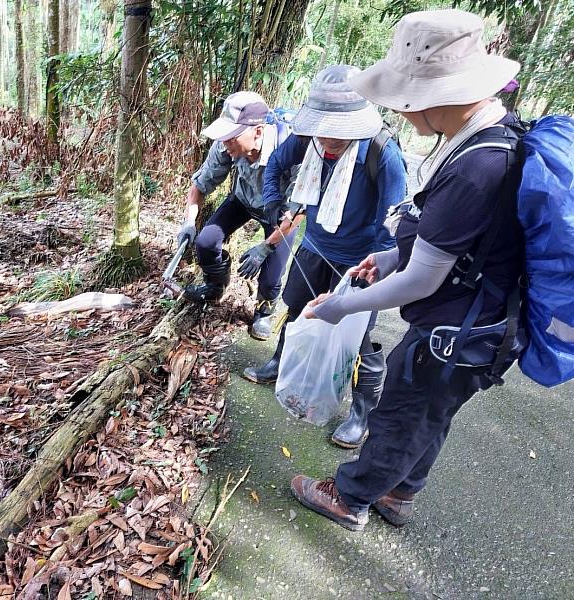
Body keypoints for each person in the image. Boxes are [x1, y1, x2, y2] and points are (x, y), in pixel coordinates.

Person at [290, 9, 523, 531]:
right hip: (478, 324)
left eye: (406, 100)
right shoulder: (488, 137)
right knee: (431, 415)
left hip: (456, 327)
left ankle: (349, 497)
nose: (403, 112)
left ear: (433, 95)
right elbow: (460, 246)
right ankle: (400, 493)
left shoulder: (476, 165)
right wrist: (394, 255)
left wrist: (339, 306)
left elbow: (424, 280)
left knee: (401, 411)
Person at [242, 65, 407, 449]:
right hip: (314, 246)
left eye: (338, 131)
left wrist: (375, 269)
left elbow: (394, 221)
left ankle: (361, 412)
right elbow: (277, 168)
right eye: (322, 128)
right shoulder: (308, 141)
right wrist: (274, 205)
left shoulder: (383, 155)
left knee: (356, 338)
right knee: (297, 308)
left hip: (360, 263)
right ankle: (281, 365)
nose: (328, 139)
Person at [178, 91, 295, 341]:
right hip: (243, 199)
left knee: (271, 277)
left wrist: (264, 247)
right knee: (206, 242)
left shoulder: (292, 149)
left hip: (281, 214)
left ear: (258, 132)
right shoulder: (226, 147)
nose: (225, 143)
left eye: (232, 137)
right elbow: (200, 185)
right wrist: (189, 221)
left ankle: (264, 310)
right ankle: (216, 284)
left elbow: (298, 211)